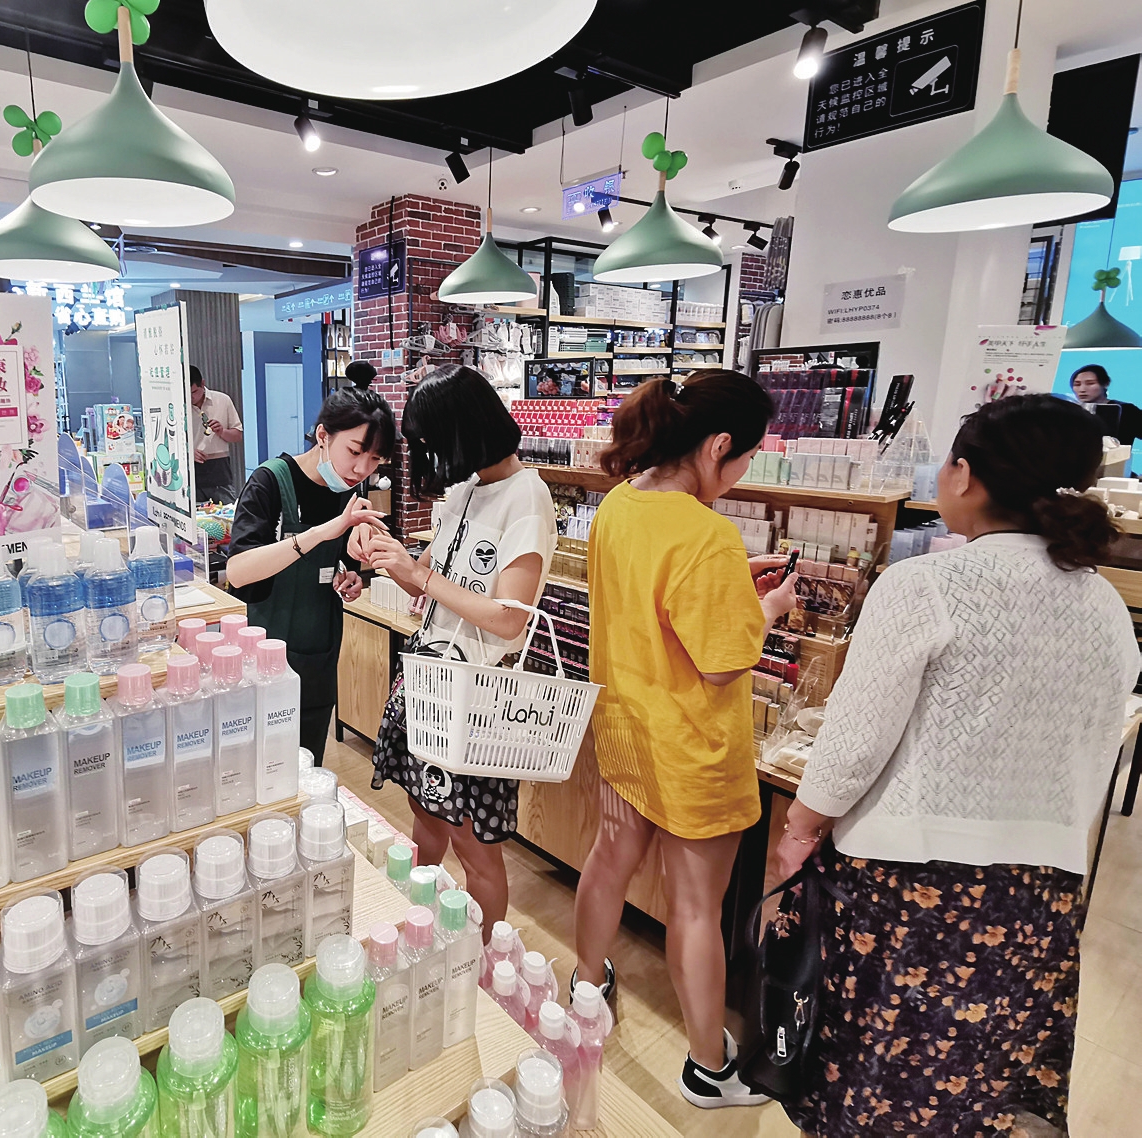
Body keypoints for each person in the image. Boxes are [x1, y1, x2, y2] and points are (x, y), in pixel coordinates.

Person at [774, 394, 1138, 1137]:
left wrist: (800, 826)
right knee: (978, 1083)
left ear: (964, 475)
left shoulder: (924, 585)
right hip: (1038, 894)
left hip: (913, 887)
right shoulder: (1104, 605)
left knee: (880, 1077)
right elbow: (1098, 742)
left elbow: (855, 739)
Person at [570, 370, 799, 1110]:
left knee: (609, 858)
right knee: (696, 907)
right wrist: (765, 608)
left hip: (625, 727)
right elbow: (723, 661)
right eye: (745, 458)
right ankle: (707, 1066)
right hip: (692, 748)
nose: (741, 474)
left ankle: (584, 984)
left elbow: (647, 604)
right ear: (719, 445)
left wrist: (733, 585)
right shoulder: (707, 535)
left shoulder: (619, 503)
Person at [353, 364, 558, 935]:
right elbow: (429, 580)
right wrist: (384, 553)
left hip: (478, 698)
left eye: (432, 444)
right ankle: (424, 929)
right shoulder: (466, 490)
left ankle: (485, 960)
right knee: (425, 814)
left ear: (463, 433)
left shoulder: (528, 497)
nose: (430, 457)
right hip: (431, 679)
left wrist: (421, 578)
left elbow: (509, 618)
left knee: (474, 845)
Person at [225, 372, 395, 762]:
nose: (361, 469)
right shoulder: (270, 482)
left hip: (317, 656)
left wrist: (348, 574)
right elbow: (238, 571)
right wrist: (320, 533)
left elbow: (334, 562)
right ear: (323, 435)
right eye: (355, 451)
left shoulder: (346, 489)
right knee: (262, 766)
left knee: (308, 764)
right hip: (264, 657)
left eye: (374, 460)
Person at [190, 365, 244, 503]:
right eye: (186, 393)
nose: (190, 397)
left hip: (219, 470)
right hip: (190, 472)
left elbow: (237, 435)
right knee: (196, 514)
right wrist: (188, 452)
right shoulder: (178, 406)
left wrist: (222, 431)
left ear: (203, 383)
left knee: (228, 512)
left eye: (194, 392)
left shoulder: (222, 400)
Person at [1069, 363, 1142, 452]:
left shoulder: (1126, 411)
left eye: (1090, 383)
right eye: (1077, 384)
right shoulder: (1069, 411)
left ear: (1105, 384)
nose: (1082, 389)